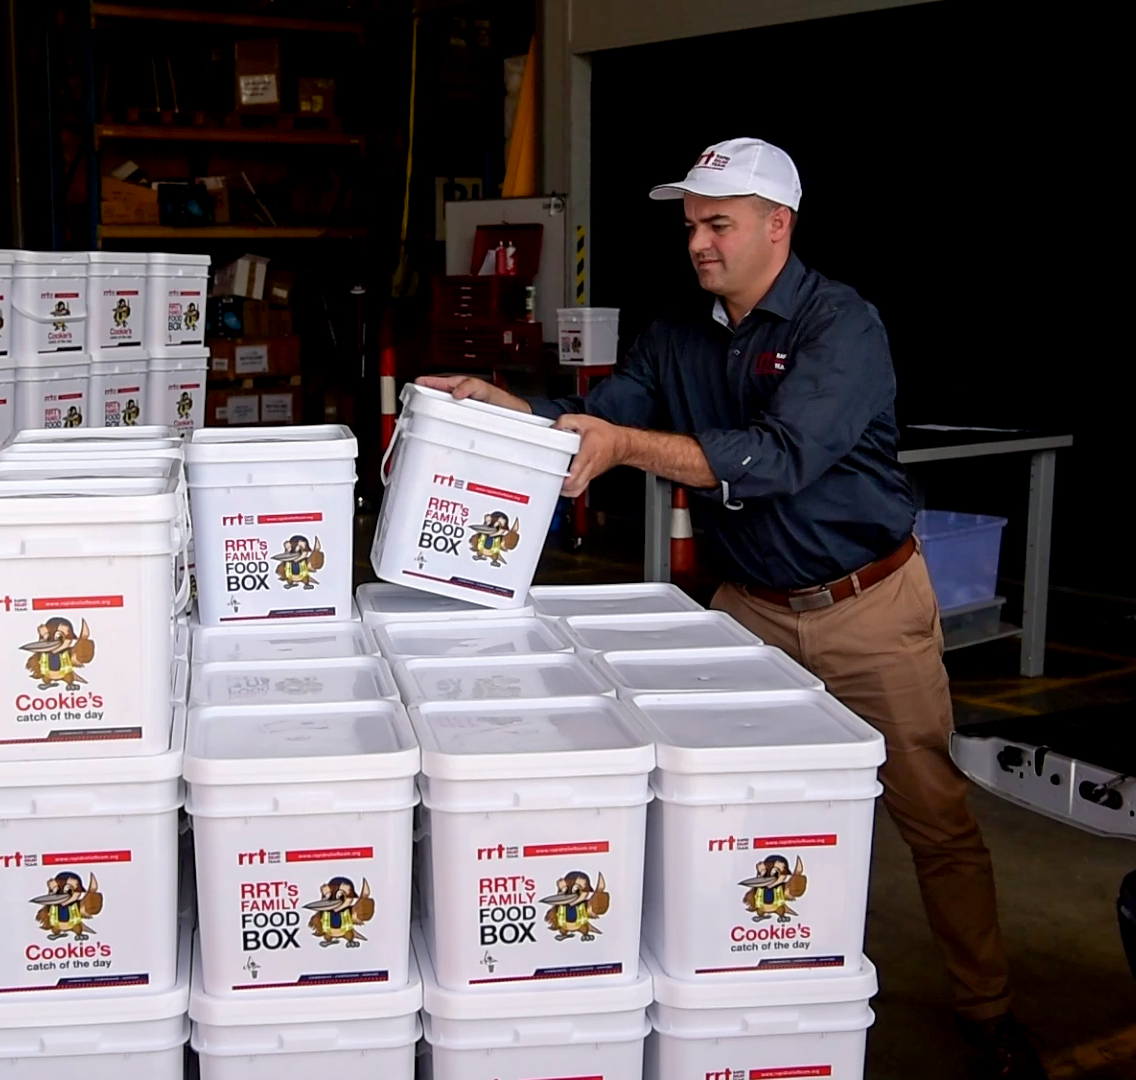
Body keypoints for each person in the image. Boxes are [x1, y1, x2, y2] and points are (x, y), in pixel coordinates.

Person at [420, 137, 1045, 1080]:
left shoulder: (843, 326)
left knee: (931, 813)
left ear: (776, 225)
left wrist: (627, 446)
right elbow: (606, 415)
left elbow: (778, 458)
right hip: (747, 610)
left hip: (866, 607)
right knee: (710, 800)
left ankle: (988, 1011)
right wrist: (501, 407)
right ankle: (728, 978)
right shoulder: (679, 334)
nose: (698, 244)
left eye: (718, 225)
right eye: (690, 227)